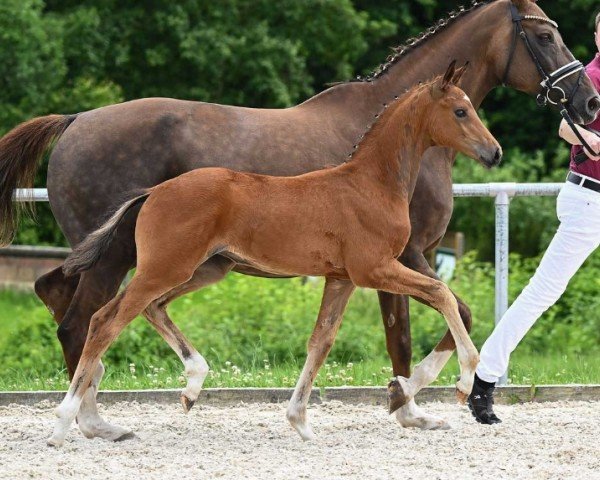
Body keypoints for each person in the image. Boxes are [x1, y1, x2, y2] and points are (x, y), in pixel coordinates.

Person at [468, 12, 600, 425]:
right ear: (596, 35)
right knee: (544, 291)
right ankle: (483, 381)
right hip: (589, 203)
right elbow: (565, 124)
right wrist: (587, 137)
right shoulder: (590, 74)